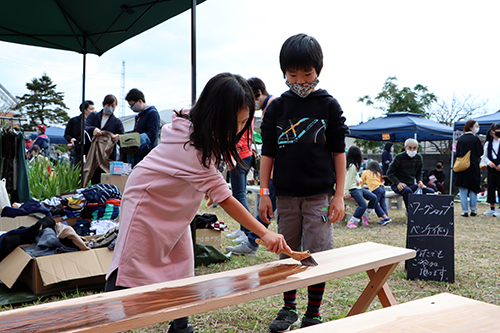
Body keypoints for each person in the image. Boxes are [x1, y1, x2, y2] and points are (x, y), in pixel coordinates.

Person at [104, 73, 291, 333]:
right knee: (131, 263)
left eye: (243, 122)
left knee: (181, 261)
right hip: (146, 201)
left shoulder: (200, 126)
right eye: (233, 123)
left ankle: (180, 325)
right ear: (215, 115)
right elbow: (225, 199)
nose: (238, 129)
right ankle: (106, 318)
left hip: (175, 200)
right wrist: (264, 232)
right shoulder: (190, 148)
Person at [259, 33, 349, 331]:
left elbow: (339, 152)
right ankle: (288, 309)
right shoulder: (276, 108)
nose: (300, 80)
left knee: (316, 253)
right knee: (288, 252)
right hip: (284, 195)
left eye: (307, 73)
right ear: (283, 73)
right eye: (292, 74)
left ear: (318, 71)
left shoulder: (328, 105)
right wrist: (263, 192)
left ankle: (313, 312)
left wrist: (339, 195)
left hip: (319, 195)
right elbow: (268, 153)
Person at [226, 77, 277, 256]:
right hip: (262, 166)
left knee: (246, 199)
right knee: (264, 209)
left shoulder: (271, 106)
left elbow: (271, 147)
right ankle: (250, 239)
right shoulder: (267, 107)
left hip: (248, 159)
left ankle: (249, 237)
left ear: (257, 93)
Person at [84, 94, 124, 184]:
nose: (110, 108)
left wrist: (118, 137)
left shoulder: (117, 122)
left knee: (106, 180)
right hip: (93, 153)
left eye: (113, 106)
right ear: (103, 104)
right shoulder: (93, 116)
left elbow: (122, 136)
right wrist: (93, 129)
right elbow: (85, 127)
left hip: (108, 155)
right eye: (108, 105)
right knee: (93, 178)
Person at [386, 138, 434, 211]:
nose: (412, 150)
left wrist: (420, 182)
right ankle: (410, 212)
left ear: (417, 148)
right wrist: (398, 183)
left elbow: (419, 173)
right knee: (407, 191)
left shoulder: (419, 158)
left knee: (430, 191)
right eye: (410, 148)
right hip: (398, 184)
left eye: (414, 148)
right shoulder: (399, 157)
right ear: (405, 148)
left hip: (411, 184)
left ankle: (424, 211)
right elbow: (389, 173)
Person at [124, 88, 160, 167]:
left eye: (132, 105)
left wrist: (136, 139)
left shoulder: (152, 113)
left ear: (140, 101)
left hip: (147, 156)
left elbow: (152, 135)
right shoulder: (139, 116)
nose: (132, 108)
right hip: (137, 155)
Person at [344, 146, 377, 228]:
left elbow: (357, 176)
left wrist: (359, 180)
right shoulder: (351, 167)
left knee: (373, 197)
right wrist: (345, 192)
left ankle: (366, 215)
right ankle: (352, 221)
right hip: (353, 189)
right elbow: (347, 180)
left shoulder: (354, 166)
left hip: (358, 188)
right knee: (363, 205)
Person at [64, 100, 95, 167]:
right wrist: (72, 140)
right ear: (85, 110)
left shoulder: (95, 122)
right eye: (91, 109)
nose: (93, 111)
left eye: (94, 109)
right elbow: (67, 134)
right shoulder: (74, 121)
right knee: (75, 172)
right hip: (78, 151)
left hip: (91, 152)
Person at [362, 160, 392, 226]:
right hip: (382, 188)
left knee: (374, 204)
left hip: (376, 189)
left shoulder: (365, 172)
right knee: (383, 204)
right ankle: (385, 218)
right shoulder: (377, 173)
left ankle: (386, 218)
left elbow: (362, 182)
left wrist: (360, 188)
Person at [481, 123, 500, 216]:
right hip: (492, 167)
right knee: (491, 187)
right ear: (492, 131)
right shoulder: (488, 143)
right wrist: (490, 163)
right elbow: (485, 157)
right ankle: (492, 208)